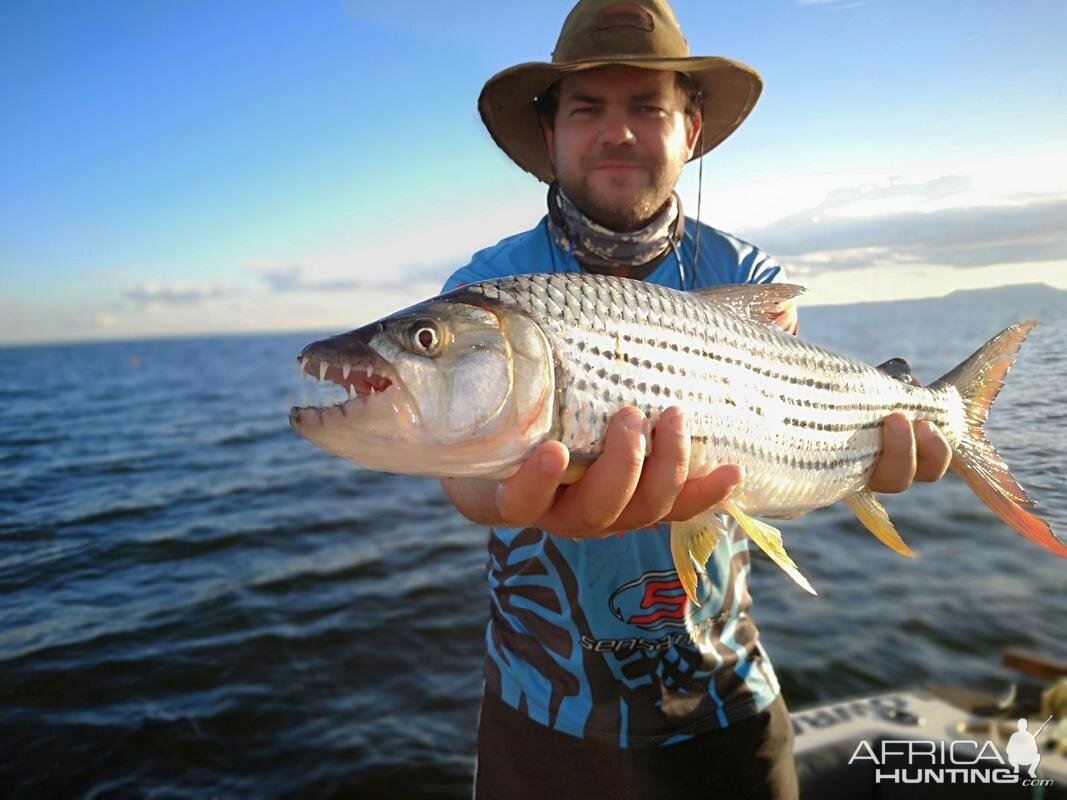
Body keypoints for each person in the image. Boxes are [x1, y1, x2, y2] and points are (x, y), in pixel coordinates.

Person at [439, 1, 952, 798]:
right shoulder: (483, 293)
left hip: (725, 694)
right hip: (541, 707)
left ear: (691, 129)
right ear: (550, 136)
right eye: (587, 109)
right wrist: (502, 498)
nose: (617, 133)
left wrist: (855, 459)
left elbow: (776, 448)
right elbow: (464, 468)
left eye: (648, 107)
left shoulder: (746, 272)